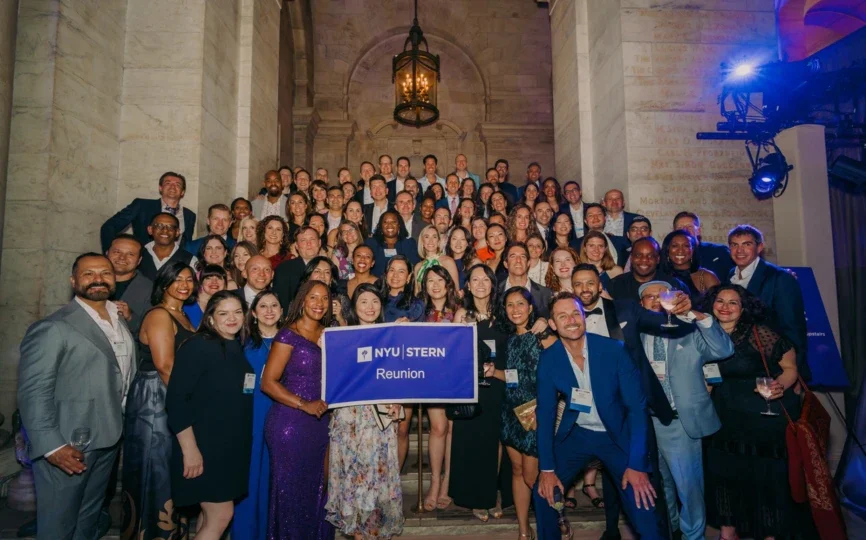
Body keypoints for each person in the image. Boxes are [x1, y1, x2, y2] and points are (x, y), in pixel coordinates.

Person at [18, 253, 136, 540]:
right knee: (58, 527)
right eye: (88, 274)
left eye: (105, 273)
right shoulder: (54, 327)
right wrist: (52, 446)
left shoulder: (119, 320)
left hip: (108, 438)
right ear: (73, 281)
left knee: (87, 521)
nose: (98, 279)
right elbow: (33, 391)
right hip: (68, 443)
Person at [534, 292, 664, 539]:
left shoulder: (613, 350)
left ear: (584, 316)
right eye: (563, 316)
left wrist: (637, 465)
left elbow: (637, 409)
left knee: (642, 500)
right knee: (543, 493)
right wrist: (547, 470)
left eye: (576, 313)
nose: (571, 320)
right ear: (552, 324)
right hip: (578, 434)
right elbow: (546, 415)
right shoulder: (549, 359)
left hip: (616, 435)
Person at [700, 284, 816, 539]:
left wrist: (779, 386)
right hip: (723, 416)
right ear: (711, 305)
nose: (725, 307)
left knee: (766, 478)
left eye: (733, 302)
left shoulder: (758, 333)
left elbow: (790, 368)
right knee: (725, 475)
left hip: (762, 417)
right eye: (720, 301)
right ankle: (728, 533)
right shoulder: (704, 334)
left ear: (743, 309)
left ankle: (770, 534)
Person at [637, 281, 733, 540]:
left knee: (688, 487)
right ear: (641, 304)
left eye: (662, 295)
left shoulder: (689, 331)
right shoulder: (634, 334)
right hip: (647, 423)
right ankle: (670, 531)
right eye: (649, 297)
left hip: (680, 422)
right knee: (660, 486)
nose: (656, 300)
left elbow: (724, 350)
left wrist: (696, 314)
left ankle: (694, 535)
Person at [166, 292, 253, 540]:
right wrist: (190, 450)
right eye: (223, 313)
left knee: (208, 517)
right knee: (221, 515)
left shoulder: (235, 346)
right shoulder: (198, 346)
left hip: (227, 448)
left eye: (237, 312)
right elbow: (176, 401)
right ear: (211, 318)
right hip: (204, 445)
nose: (232, 318)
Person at [122, 262, 196, 539]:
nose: (184, 285)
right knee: (156, 469)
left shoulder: (183, 315)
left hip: (173, 392)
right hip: (156, 398)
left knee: (173, 467)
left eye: (189, 279)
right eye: (177, 279)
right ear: (164, 283)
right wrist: (188, 402)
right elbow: (165, 365)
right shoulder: (159, 315)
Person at [326, 284, 405, 539]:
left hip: (379, 421)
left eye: (375, 301)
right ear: (354, 307)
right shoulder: (341, 337)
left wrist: (398, 403)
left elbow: (402, 376)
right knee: (354, 479)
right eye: (363, 301)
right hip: (349, 420)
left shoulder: (391, 337)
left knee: (376, 481)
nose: (370, 307)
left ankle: (371, 533)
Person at [261, 280, 336, 539]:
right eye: (313, 297)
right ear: (302, 300)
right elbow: (268, 383)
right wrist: (305, 404)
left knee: (320, 490)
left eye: (324, 298)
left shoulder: (331, 335)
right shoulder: (287, 335)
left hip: (322, 424)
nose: (319, 304)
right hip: (290, 425)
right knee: (291, 495)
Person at [449, 264, 514, 521]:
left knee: (495, 441)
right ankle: (476, 497)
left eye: (485, 279)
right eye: (474, 279)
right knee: (472, 442)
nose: (480, 284)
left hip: (498, 384)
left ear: (492, 284)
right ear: (467, 285)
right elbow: (454, 354)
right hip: (471, 386)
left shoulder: (504, 313)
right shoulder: (462, 315)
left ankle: (492, 492)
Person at [499, 287, 559, 539]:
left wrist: (543, 409)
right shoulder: (510, 340)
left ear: (531, 307)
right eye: (510, 305)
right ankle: (524, 529)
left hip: (535, 413)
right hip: (511, 412)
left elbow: (562, 371)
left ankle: (557, 521)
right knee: (516, 470)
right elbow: (514, 377)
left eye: (520, 304)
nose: (515, 310)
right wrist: (493, 372)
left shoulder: (542, 336)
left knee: (532, 476)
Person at [727, 224, 810, 381]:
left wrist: (795, 373)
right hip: (740, 367)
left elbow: (794, 329)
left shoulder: (780, 278)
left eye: (747, 244)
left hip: (774, 368)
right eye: (734, 245)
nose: (739, 250)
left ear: (759, 247)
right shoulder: (730, 276)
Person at [231, 291, 283, 540]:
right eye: (263, 306)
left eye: (274, 306)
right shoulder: (242, 343)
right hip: (251, 415)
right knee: (251, 479)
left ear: (282, 311)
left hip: (282, 415)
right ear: (253, 312)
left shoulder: (290, 341)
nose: (269, 311)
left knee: (274, 479)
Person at [100, 172, 196, 251]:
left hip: (175, 264)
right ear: (160, 188)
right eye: (168, 183)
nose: (172, 187)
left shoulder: (189, 215)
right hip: (144, 263)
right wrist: (110, 252)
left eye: (178, 184)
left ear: (182, 192)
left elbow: (187, 243)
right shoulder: (142, 205)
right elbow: (109, 227)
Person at [607, 237, 690, 301]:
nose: (644, 260)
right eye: (638, 255)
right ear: (631, 258)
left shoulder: (674, 285)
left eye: (650, 256)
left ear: (658, 259)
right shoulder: (615, 285)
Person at [106, 234, 153, 340]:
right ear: (107, 253)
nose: (122, 257)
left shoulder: (149, 289)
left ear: (139, 260)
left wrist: (130, 317)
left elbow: (151, 332)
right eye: (117, 252)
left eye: (130, 254)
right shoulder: (92, 282)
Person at [659, 230, 720, 302]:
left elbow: (720, 304)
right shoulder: (659, 275)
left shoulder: (706, 277)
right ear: (667, 249)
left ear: (693, 250)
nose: (680, 250)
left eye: (686, 246)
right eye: (675, 246)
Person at [673, 211, 734, 282]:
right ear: (674, 233)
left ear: (698, 231)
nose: (685, 230)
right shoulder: (669, 255)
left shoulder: (719, 252)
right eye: (680, 227)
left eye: (690, 226)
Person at [272, 226, 322, 310]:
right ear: (296, 246)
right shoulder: (284, 269)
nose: (308, 243)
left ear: (319, 243)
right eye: (303, 240)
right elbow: (281, 304)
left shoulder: (330, 267)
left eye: (312, 239)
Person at [500, 242, 554, 318]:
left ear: (528, 263)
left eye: (523, 256)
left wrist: (544, 320)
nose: (518, 260)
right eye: (513, 256)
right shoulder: (494, 292)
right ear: (506, 264)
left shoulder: (545, 294)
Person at [138, 212, 197, 281]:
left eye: (170, 227)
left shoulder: (190, 260)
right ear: (150, 230)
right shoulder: (138, 254)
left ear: (177, 232)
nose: (165, 230)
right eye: (159, 226)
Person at [365, 211, 420, 277]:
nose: (390, 225)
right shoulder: (371, 244)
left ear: (399, 225)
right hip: (375, 282)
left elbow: (414, 268)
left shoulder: (409, 244)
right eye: (385, 222)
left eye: (394, 222)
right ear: (381, 226)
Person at [382, 255, 425, 325]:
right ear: (386, 274)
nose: (395, 275)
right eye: (392, 270)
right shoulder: (376, 300)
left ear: (409, 277)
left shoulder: (416, 305)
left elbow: (420, 330)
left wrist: (409, 325)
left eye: (401, 271)